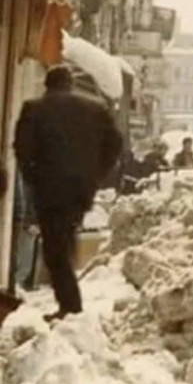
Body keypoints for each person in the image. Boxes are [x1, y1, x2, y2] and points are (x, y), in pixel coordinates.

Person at [14, 65, 122, 319]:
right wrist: (96, 174)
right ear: (70, 84)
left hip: (49, 190)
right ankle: (70, 304)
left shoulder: (34, 109)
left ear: (47, 85)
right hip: (81, 190)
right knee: (63, 241)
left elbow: (22, 149)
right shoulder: (96, 109)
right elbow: (115, 144)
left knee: (56, 249)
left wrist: (34, 177)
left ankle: (71, 307)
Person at [12, 170, 39, 290]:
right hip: (25, 224)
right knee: (23, 263)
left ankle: (19, 286)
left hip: (26, 222)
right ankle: (16, 287)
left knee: (24, 262)